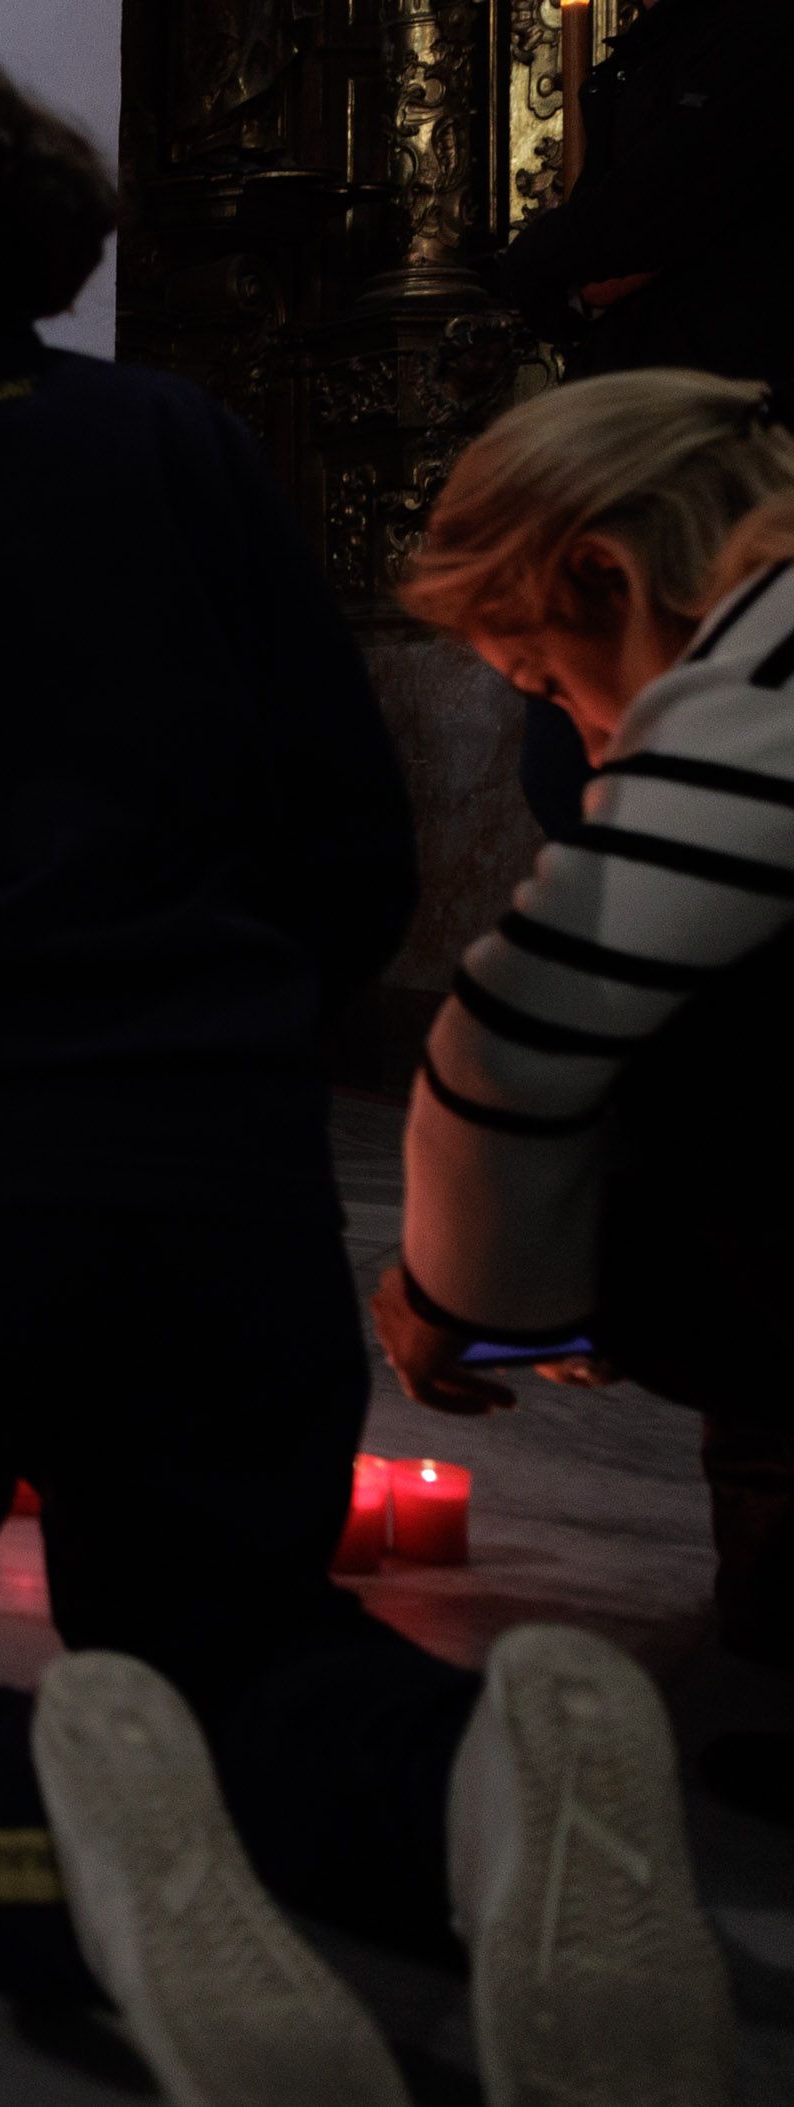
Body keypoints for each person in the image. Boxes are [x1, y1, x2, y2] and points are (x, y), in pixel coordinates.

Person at [0, 5, 724, 2102]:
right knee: (228, 1626)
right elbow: (342, 818)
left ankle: (49, 1835)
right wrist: (227, 1043)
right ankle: (476, 1789)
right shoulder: (172, 443)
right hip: (204, 1151)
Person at [375, 370, 794, 1854]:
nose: (589, 737)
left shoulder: (761, 677)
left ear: (608, 574)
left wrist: (464, 1302)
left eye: (549, 683)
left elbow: (522, 1028)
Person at [497, 0, 788, 392]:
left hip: (725, 407)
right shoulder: (657, 52)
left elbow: (664, 200)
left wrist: (531, 268)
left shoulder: (766, 30)